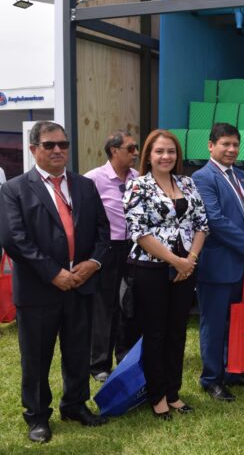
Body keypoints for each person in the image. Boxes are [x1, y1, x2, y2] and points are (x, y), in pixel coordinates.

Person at [0, 121, 110, 443]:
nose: (58, 150)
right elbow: (14, 240)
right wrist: (53, 273)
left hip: (80, 286)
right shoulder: (14, 189)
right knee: (36, 358)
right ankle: (37, 416)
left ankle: (75, 405)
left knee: (78, 352)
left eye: (63, 144)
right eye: (49, 145)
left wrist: (92, 263)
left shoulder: (85, 186)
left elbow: (104, 232)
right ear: (34, 149)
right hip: (39, 292)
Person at [123, 129, 208, 419]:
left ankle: (173, 392)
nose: (165, 156)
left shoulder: (187, 182)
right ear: (149, 155)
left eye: (171, 151)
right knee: (155, 333)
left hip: (186, 269)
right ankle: (157, 396)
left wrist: (190, 259)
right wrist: (175, 261)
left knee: (177, 332)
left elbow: (202, 224)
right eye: (159, 151)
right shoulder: (138, 186)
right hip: (150, 269)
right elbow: (139, 232)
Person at [192, 123, 244, 401]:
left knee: (237, 321)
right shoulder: (202, 178)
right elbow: (215, 220)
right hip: (219, 265)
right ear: (211, 146)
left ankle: (235, 371)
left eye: (235, 144)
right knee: (214, 324)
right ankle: (211, 378)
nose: (231, 149)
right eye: (225, 144)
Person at [84, 130, 141, 382]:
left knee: (129, 304)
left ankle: (126, 356)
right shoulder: (93, 179)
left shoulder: (138, 178)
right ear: (114, 151)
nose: (136, 153)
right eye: (131, 149)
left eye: (136, 148)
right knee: (105, 305)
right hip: (108, 248)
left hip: (134, 247)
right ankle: (99, 365)